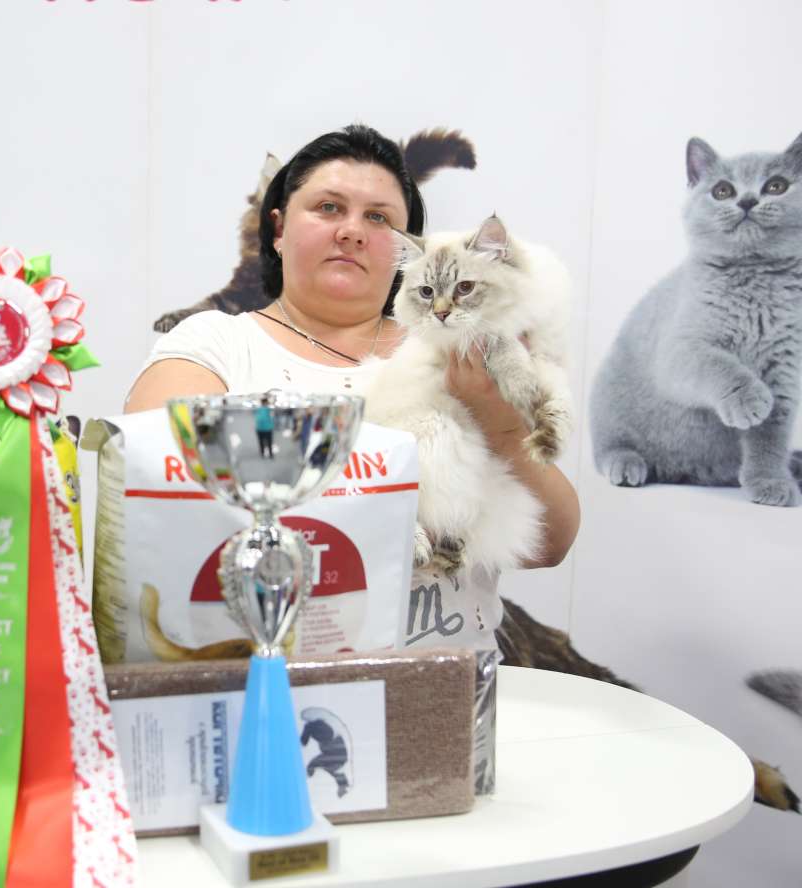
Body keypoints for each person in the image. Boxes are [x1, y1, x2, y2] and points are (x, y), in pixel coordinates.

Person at [126, 123, 580, 581]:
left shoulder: (466, 346)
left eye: (378, 218)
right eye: (329, 208)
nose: (352, 232)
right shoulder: (212, 342)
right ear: (279, 229)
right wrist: (385, 517)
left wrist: (500, 423)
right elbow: (161, 497)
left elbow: (550, 545)